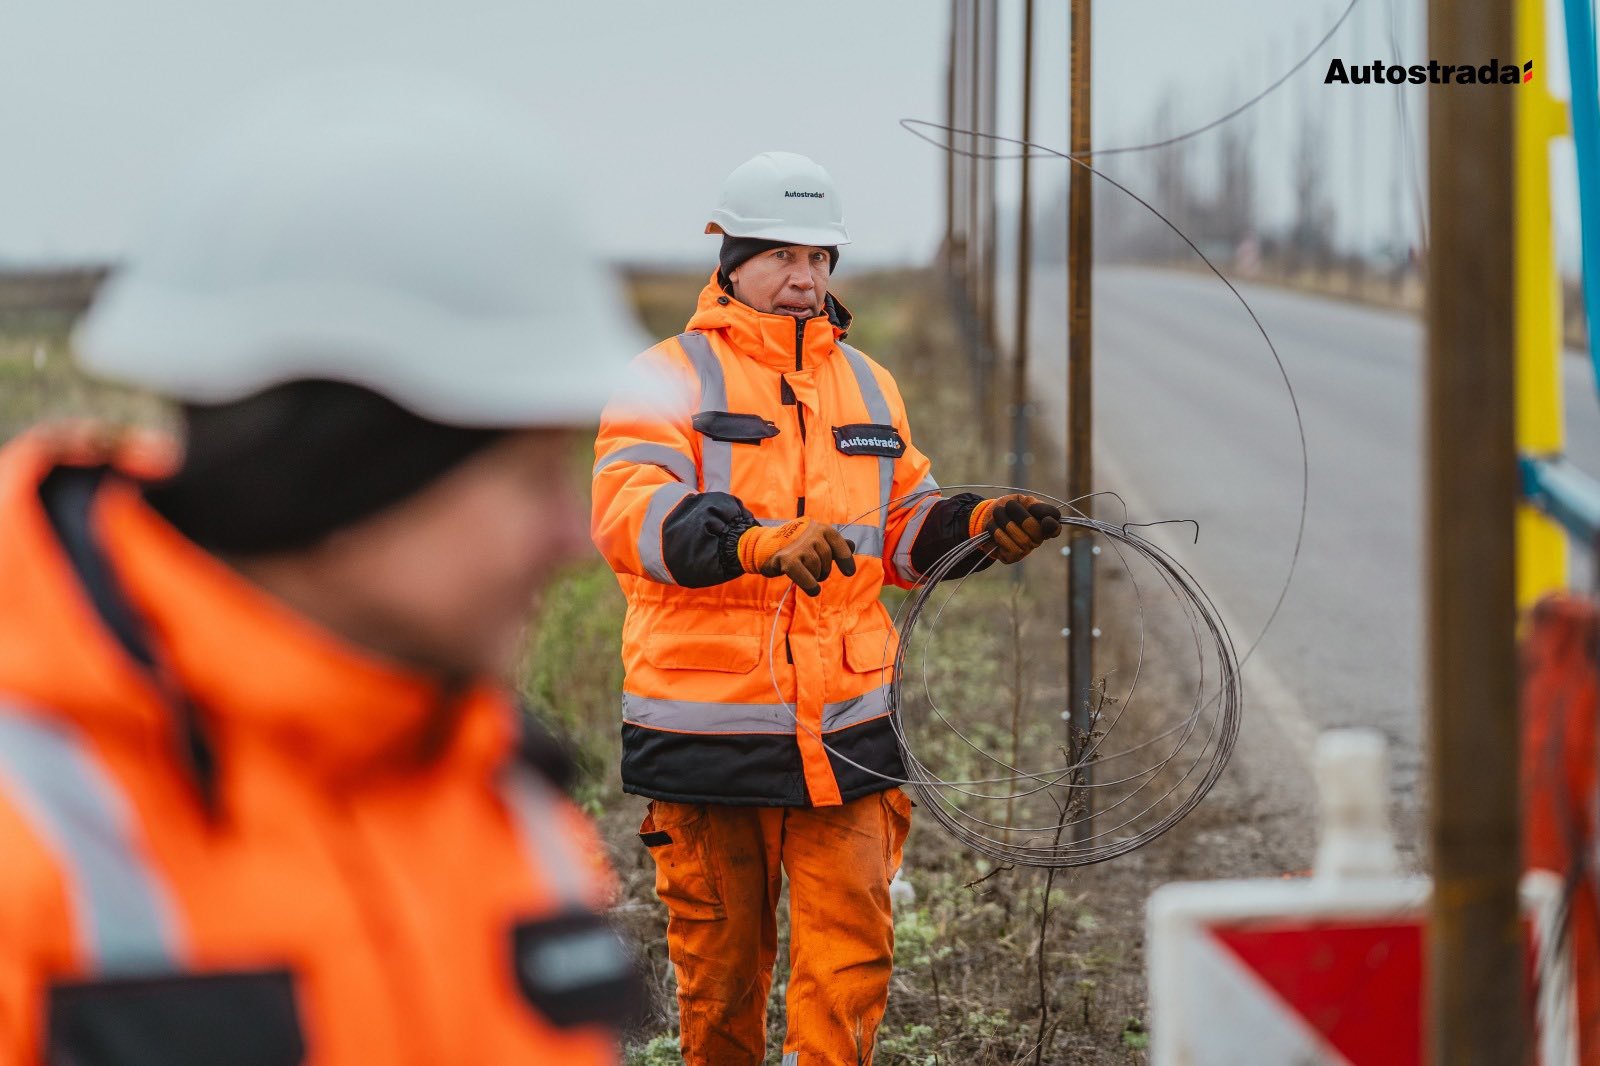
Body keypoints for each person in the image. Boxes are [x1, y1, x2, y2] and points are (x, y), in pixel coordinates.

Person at [0, 74, 659, 1065]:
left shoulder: (505, 802)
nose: (572, 533)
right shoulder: (30, 835)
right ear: (343, 480)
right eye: (529, 478)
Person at [591, 151, 1062, 1064]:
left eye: (820, 259)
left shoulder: (869, 384)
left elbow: (901, 528)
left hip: (848, 732)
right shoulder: (668, 376)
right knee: (720, 980)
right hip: (710, 734)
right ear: (730, 257)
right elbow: (627, 513)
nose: (805, 279)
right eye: (783, 258)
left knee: (848, 968)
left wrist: (977, 525)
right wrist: (752, 540)